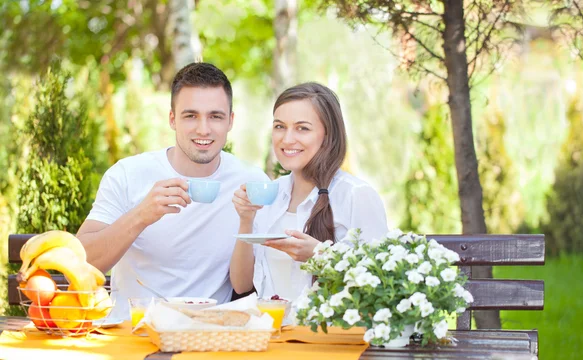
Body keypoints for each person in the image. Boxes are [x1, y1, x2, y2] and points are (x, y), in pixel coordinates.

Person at [77, 62, 269, 320]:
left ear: (230, 121)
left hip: (210, 335)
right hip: (132, 333)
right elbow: (83, 261)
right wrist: (142, 215)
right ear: (172, 119)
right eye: (191, 115)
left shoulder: (250, 182)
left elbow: (252, 281)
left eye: (215, 116)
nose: (203, 129)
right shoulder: (127, 174)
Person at [229, 82, 388, 302]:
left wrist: (321, 256)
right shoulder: (271, 194)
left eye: (302, 128)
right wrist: (246, 220)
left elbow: (383, 284)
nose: (287, 139)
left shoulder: (355, 195)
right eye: (279, 126)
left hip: (327, 335)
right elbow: (241, 284)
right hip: (273, 331)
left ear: (328, 135)